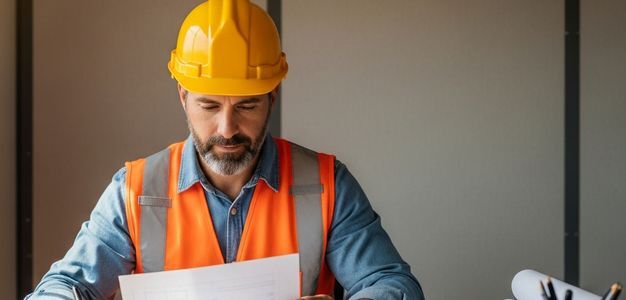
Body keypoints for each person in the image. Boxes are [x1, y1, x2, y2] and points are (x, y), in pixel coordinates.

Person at [27, 0, 424, 299]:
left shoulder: (328, 185)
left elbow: (391, 283)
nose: (227, 128)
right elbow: (65, 285)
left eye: (247, 106)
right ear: (183, 97)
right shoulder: (134, 191)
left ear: (272, 98)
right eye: (210, 106)